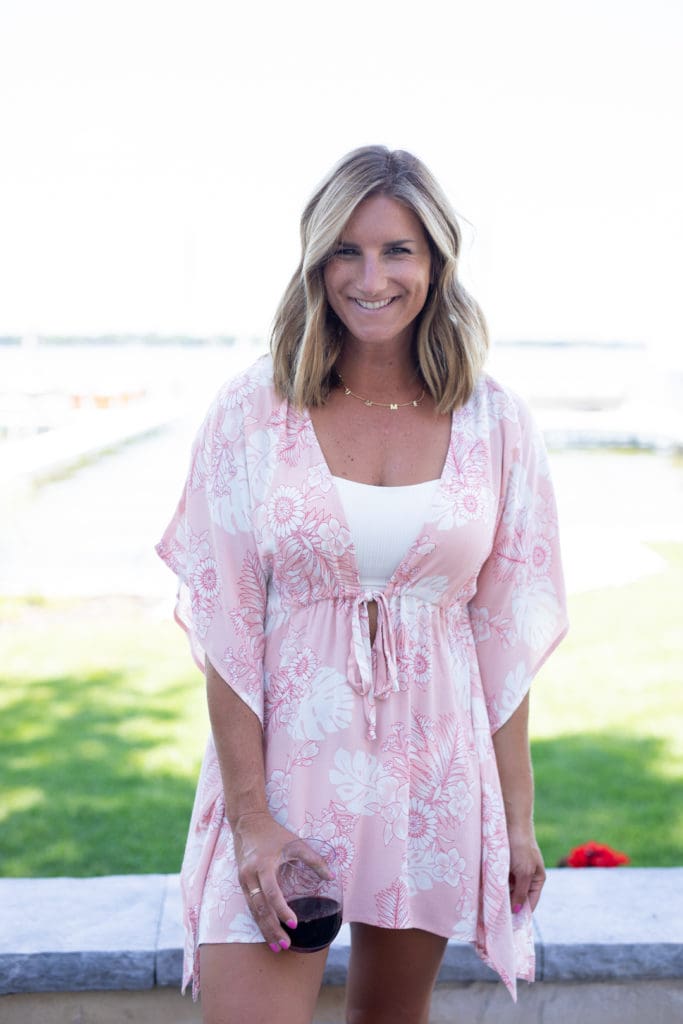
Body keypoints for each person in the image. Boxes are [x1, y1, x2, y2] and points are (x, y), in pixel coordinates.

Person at [156, 145, 568, 1024]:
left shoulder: (496, 421)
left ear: (436, 262)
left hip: (433, 770)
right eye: (346, 250)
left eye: (396, 251)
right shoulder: (251, 410)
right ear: (315, 262)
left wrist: (516, 819)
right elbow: (227, 624)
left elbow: (503, 633)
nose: (370, 277)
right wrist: (251, 818)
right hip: (285, 773)